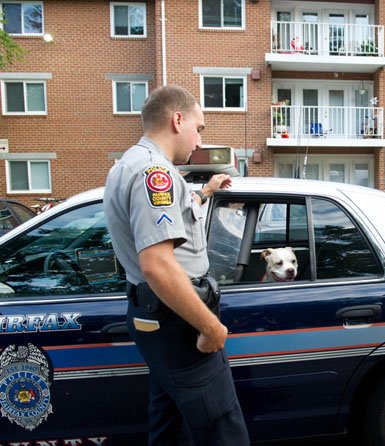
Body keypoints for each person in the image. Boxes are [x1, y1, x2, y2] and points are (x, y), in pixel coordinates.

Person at [104, 85, 250, 446]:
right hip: (179, 323)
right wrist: (209, 325)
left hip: (155, 320)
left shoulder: (129, 165)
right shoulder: (156, 174)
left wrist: (206, 192)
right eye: (199, 129)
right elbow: (157, 265)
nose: (200, 140)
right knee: (222, 427)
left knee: (170, 425)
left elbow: (170, 219)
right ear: (177, 119)